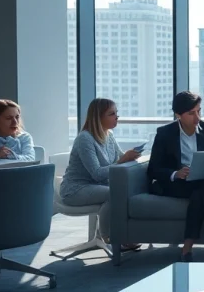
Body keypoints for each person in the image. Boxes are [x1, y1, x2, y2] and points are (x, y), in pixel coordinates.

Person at [148, 91, 204, 262]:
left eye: (199, 111)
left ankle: (188, 245)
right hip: (177, 183)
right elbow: (153, 169)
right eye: (191, 113)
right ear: (178, 114)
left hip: (203, 181)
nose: (197, 118)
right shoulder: (165, 133)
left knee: (203, 188)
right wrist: (175, 173)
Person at [60, 98, 142, 252]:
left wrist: (131, 157)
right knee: (115, 194)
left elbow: (120, 158)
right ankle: (109, 237)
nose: (117, 117)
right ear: (98, 117)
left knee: (125, 192)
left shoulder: (108, 135)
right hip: (75, 189)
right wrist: (123, 160)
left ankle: (118, 234)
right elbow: (97, 173)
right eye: (112, 114)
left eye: (117, 113)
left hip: (97, 186)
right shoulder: (85, 139)